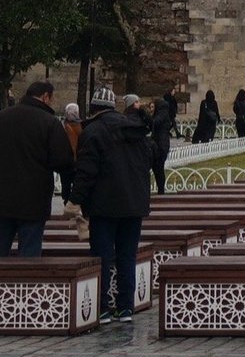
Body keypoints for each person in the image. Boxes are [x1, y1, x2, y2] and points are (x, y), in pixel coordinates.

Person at [71, 87, 155, 324]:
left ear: (94, 108)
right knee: (127, 255)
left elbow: (86, 170)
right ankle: (126, 307)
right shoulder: (134, 130)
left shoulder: (93, 132)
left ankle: (102, 307)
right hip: (133, 204)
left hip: (104, 205)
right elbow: (148, 160)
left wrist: (76, 199)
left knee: (103, 256)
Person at [0, 80, 74, 257]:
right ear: (45, 96)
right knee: (30, 254)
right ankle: (27, 283)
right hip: (34, 200)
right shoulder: (50, 123)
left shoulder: (3, 117)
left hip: (2, 198)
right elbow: (63, 161)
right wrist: (68, 194)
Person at [60, 101, 84, 203]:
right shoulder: (82, 126)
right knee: (77, 183)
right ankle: (74, 202)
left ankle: (67, 201)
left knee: (66, 183)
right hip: (78, 160)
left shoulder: (62, 126)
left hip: (65, 160)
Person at [149, 98, 173, 195]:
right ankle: (160, 190)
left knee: (158, 168)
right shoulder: (162, 114)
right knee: (157, 168)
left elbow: (154, 123)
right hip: (160, 144)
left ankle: (161, 190)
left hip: (161, 146)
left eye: (153, 107)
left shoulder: (162, 115)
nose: (151, 109)